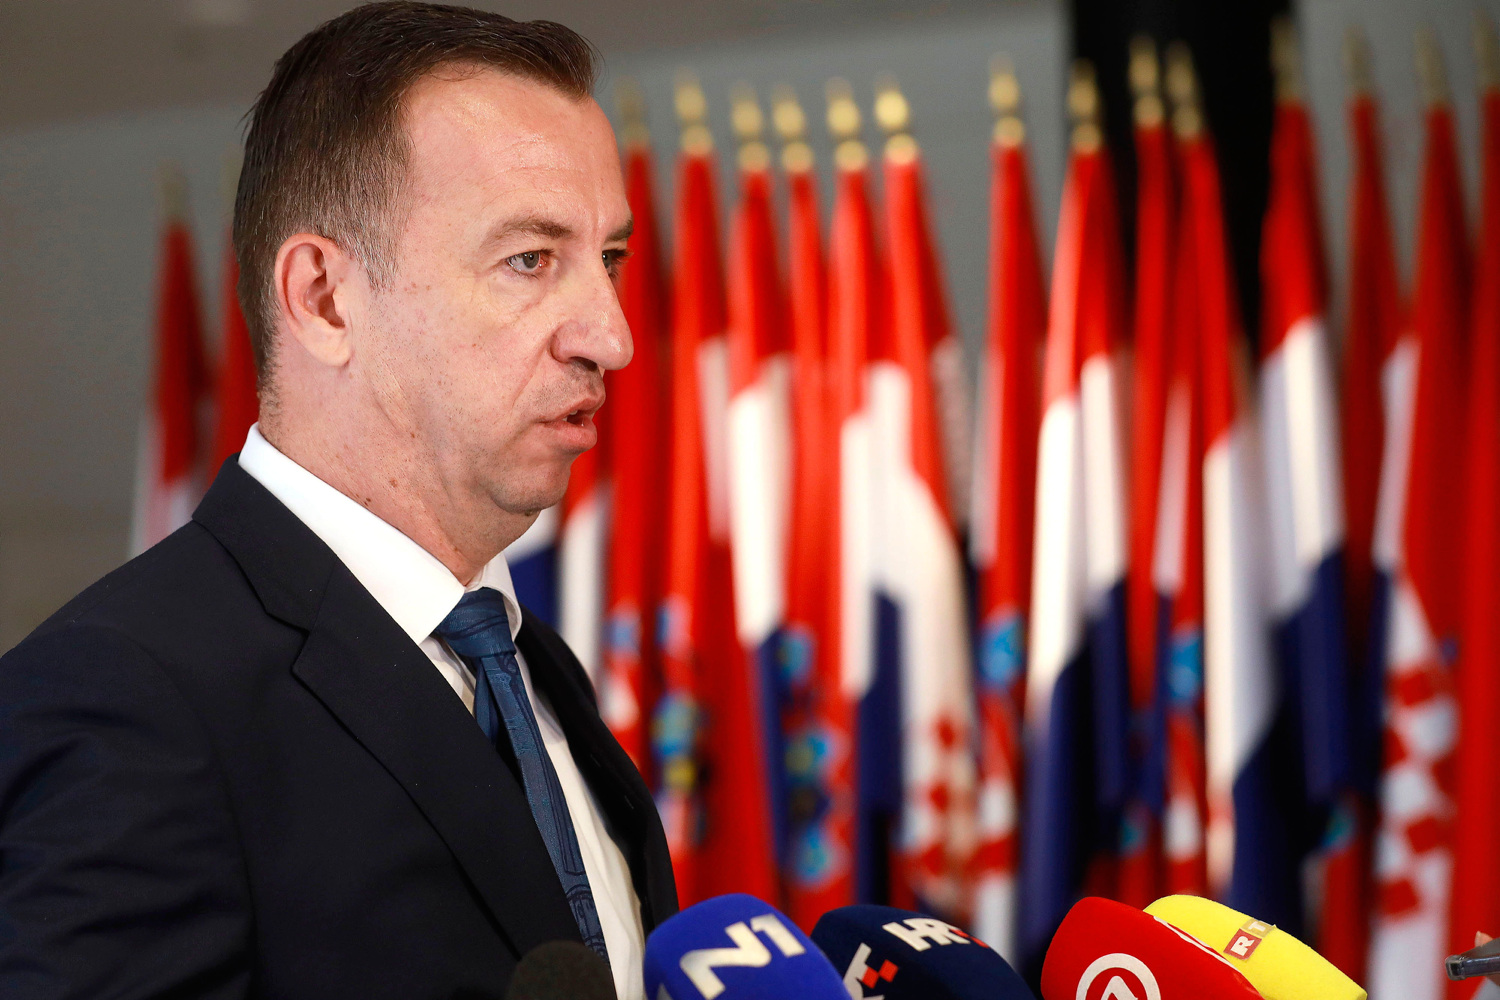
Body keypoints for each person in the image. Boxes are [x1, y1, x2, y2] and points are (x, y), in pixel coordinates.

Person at [0, 4, 676, 998]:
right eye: (530, 260)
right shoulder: (125, 699)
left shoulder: (533, 666)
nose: (611, 337)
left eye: (608, 260)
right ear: (322, 297)